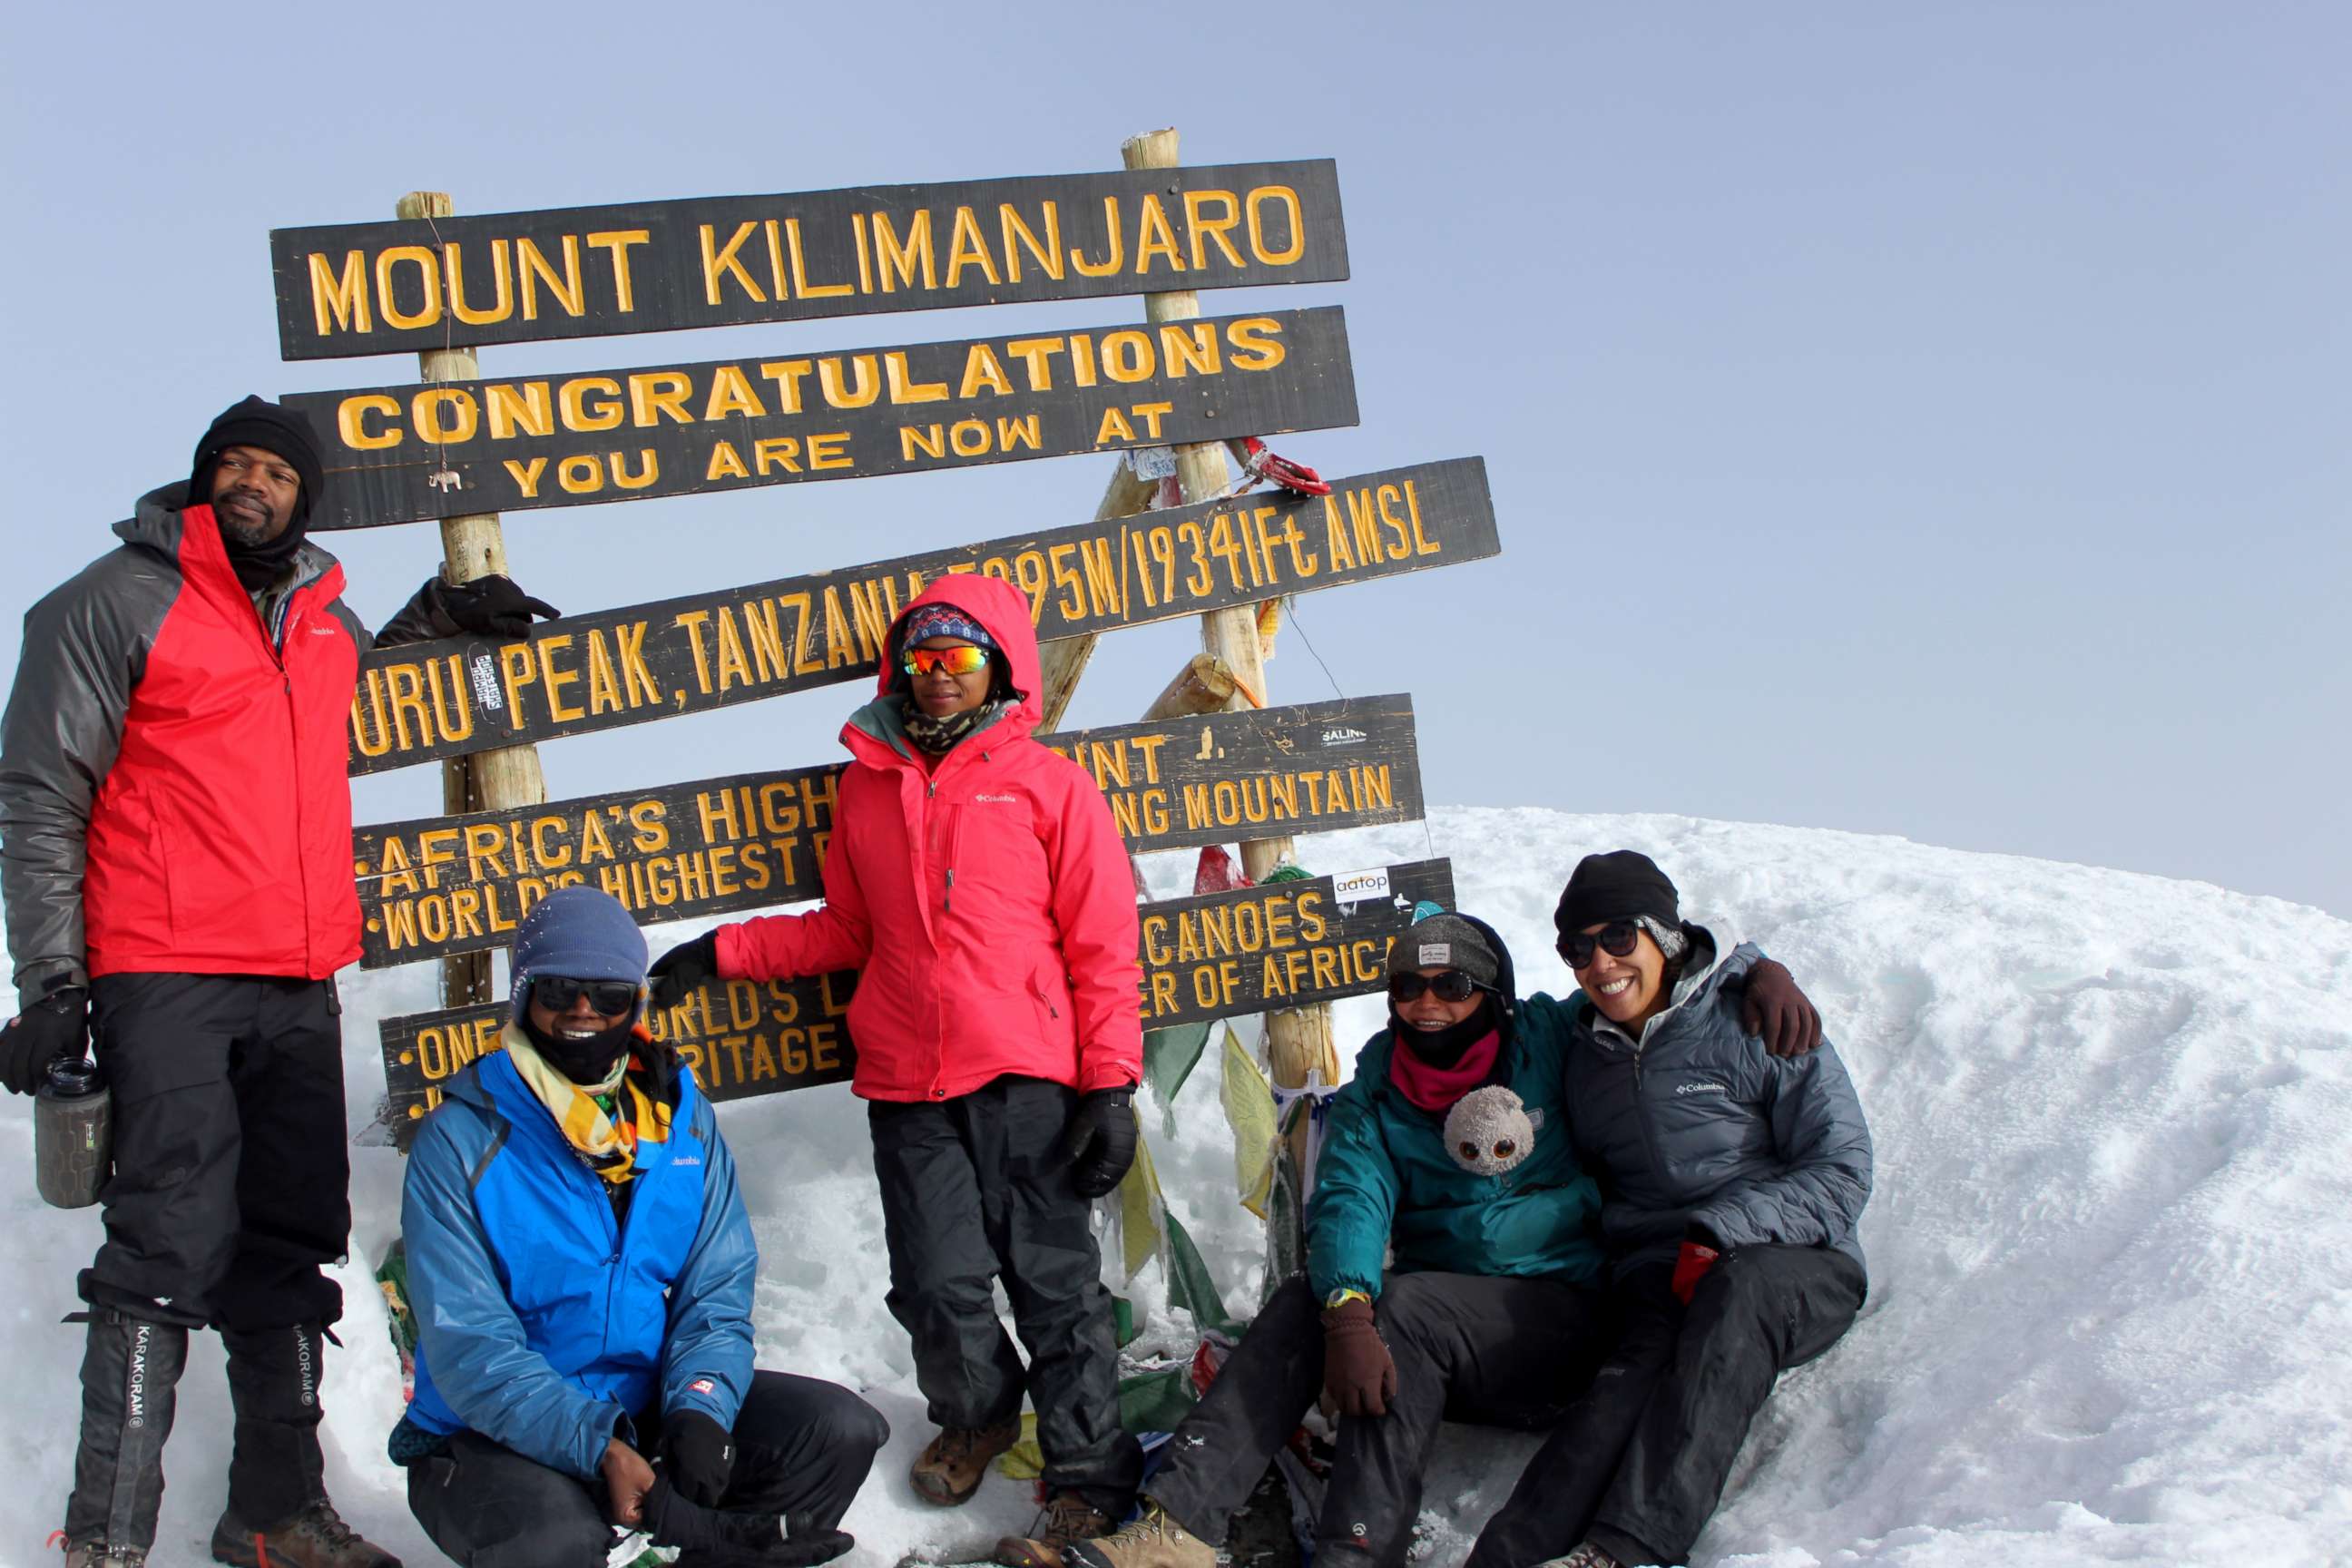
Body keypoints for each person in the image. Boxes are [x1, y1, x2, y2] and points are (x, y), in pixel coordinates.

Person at [0, 396, 560, 1568]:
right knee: (165, 1242)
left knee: (289, 1243)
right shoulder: (110, 604)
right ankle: (103, 1544)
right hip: (165, 972)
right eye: (233, 465)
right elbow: (37, 791)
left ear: (305, 497)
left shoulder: (319, 617)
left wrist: (444, 614)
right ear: (204, 479)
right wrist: (53, 977)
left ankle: (271, 1515)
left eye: (276, 471)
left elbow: (348, 684)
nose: (253, 482)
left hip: (299, 979)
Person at [1064, 910, 1817, 1568]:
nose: (1427, 1004)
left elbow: (1641, 976)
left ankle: (1353, 1553)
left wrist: (1754, 970)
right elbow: (1352, 1201)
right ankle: (1177, 1529)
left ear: (1492, 999)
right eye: (1407, 988)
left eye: (1453, 988)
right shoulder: (1377, 1094)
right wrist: (1348, 1312)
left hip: (1566, 1321)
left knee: (1407, 1309)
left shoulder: (1550, 1042)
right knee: (1313, 1301)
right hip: (1440, 1334)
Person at [645, 577, 1144, 1565]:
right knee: (934, 1282)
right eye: (922, 659)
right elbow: (847, 927)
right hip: (910, 1079)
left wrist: (1110, 1085)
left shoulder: (1049, 785)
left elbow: (1102, 943)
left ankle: (1090, 1475)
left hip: (1029, 1079)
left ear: (1000, 667)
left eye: (961, 659)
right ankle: (979, 1416)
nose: (940, 677)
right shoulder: (868, 784)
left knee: (1056, 1284)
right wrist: (725, 952)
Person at [393, 885, 888, 1568]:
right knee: (552, 1542)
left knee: (837, 1429)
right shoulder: (461, 1140)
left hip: (642, 1399)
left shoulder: (682, 1120)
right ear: (522, 998)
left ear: (637, 1004)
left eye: (609, 996)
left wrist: (699, 1412)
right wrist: (601, 1447)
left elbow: (716, 1292)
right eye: (558, 991)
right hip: (491, 1433)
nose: (582, 1013)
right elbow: (471, 1348)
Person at [1471, 850, 1873, 1568]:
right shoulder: (1581, 1044)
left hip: (1792, 1265)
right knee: (1622, 1385)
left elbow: (1842, 1168)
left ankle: (1631, 1549)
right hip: (1657, 1269)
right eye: (1577, 948)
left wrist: (1720, 1230)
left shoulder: (1754, 1020)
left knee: (1736, 1296)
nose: (1600, 963)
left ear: (1665, 935)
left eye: (1619, 936)